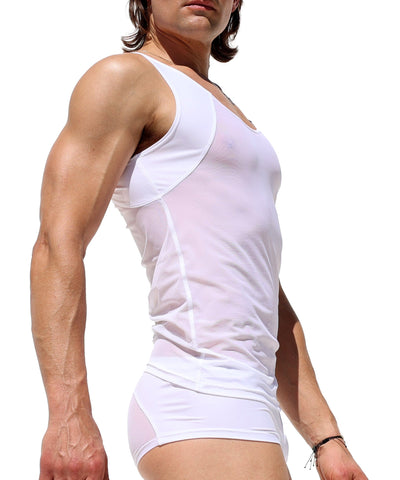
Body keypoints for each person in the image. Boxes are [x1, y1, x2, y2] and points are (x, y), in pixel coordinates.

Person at [30, 1, 368, 479]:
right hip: (197, 394)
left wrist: (326, 439)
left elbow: (263, 291)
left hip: (252, 405)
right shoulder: (126, 78)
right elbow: (57, 242)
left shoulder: (227, 109)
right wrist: (69, 416)